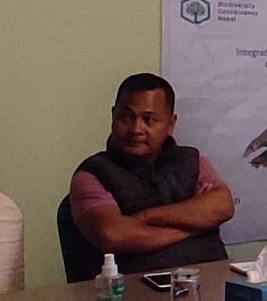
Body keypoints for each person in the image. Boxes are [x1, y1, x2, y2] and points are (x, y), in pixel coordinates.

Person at [68, 73, 235, 273]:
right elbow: (112, 234)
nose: (136, 129)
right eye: (126, 117)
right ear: (113, 115)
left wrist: (144, 217)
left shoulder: (193, 160)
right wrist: (197, 224)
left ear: (170, 124)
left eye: (149, 120)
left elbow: (223, 206)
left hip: (207, 280)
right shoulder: (91, 174)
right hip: (134, 292)